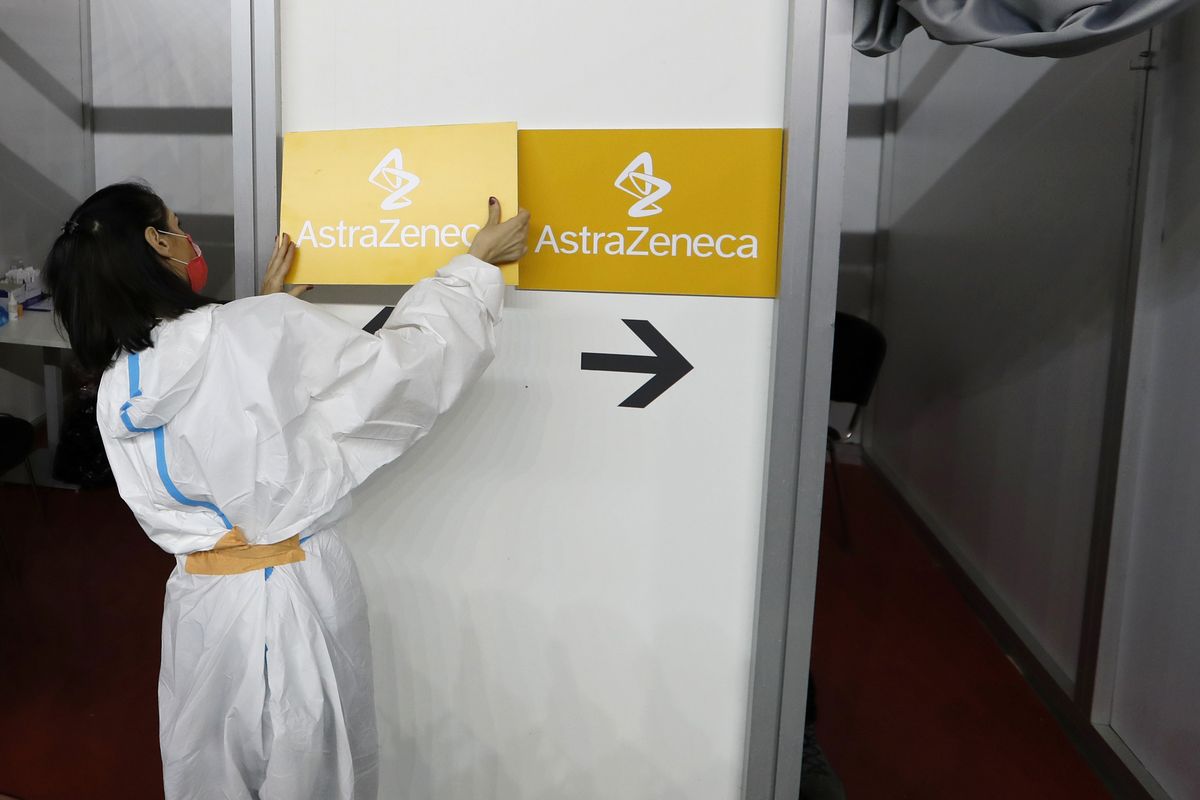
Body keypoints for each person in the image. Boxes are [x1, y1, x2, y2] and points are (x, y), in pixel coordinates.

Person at [43, 181, 529, 800]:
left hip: (201, 604)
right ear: (156, 242)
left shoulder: (120, 377)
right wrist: (471, 272)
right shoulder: (254, 331)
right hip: (297, 595)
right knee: (316, 769)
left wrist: (257, 320)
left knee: (207, 770)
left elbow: (218, 413)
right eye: (176, 222)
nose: (187, 236)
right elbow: (399, 376)